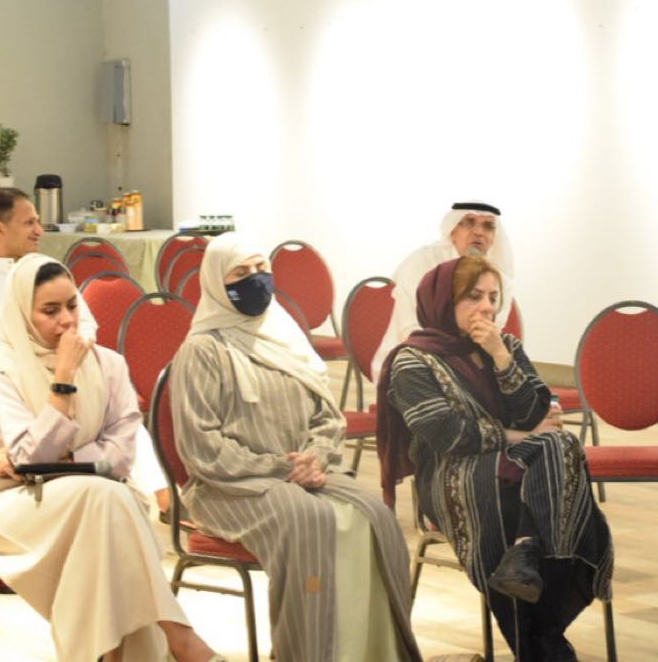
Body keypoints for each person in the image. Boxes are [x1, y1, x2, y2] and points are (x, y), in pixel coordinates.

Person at [169, 233, 422, 662]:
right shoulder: (203, 350)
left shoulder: (285, 336)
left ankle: (375, 652)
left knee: (376, 515)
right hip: (228, 486)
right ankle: (309, 652)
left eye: (261, 269)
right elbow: (202, 447)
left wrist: (316, 458)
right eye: (240, 273)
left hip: (301, 474)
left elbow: (327, 416)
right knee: (308, 520)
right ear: (216, 283)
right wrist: (280, 468)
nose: (255, 280)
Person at [0, 254, 221, 662]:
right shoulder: (0, 375)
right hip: (15, 506)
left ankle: (109, 653)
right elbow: (31, 459)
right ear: (22, 314)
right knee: (107, 501)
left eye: (72, 305)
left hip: (95, 501)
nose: (67, 320)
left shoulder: (108, 365)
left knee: (105, 505)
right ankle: (181, 637)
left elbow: (121, 455)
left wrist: (62, 457)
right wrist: (63, 381)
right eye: (50, 311)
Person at [379, 255, 613, 662]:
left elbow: (536, 410)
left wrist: (501, 359)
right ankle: (544, 635)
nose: (487, 307)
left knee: (559, 448)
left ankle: (526, 557)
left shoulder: (505, 347)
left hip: (523, 466)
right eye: (474, 296)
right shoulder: (411, 360)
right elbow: (448, 434)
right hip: (454, 476)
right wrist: (521, 435)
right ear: (443, 300)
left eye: (493, 297)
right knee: (553, 475)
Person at [0, 187, 171, 514]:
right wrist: (38, 379)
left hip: (73, 374)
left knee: (116, 411)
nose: (40, 230)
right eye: (29, 222)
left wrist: (67, 368)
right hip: (14, 400)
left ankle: (165, 501)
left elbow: (84, 331)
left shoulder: (51, 276)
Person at [372, 201, 515, 380]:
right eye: (469, 222)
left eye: (488, 226)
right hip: (412, 363)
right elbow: (410, 328)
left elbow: (489, 332)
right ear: (453, 231)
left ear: (494, 237)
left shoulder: (499, 278)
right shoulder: (422, 261)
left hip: (473, 367)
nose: (479, 232)